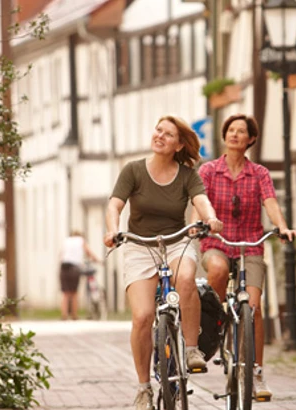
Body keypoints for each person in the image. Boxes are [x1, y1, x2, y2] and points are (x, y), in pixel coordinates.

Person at [103, 115, 224, 410]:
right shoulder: (133, 170)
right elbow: (114, 204)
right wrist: (112, 229)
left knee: (185, 279)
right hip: (140, 246)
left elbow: (201, 200)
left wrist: (209, 218)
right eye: (158, 130)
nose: (160, 136)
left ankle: (192, 349)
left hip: (176, 242)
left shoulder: (187, 175)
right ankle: (144, 387)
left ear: (179, 144)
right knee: (143, 316)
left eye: (168, 135)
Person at [191, 114, 296, 401]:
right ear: (224, 135)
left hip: (250, 245)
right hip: (217, 242)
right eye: (231, 130)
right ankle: (217, 318)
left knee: (253, 307)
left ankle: (256, 372)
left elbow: (270, 203)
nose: (235, 134)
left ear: (250, 139)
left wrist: (282, 227)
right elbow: (199, 202)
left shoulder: (259, 174)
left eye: (241, 131)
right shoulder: (209, 171)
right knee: (215, 269)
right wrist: (196, 224)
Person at [59, 231, 101, 320]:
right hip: (74, 267)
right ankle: (74, 315)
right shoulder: (81, 240)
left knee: (65, 293)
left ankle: (64, 315)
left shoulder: (66, 241)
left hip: (64, 267)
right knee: (74, 293)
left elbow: (61, 255)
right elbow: (89, 253)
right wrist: (98, 261)